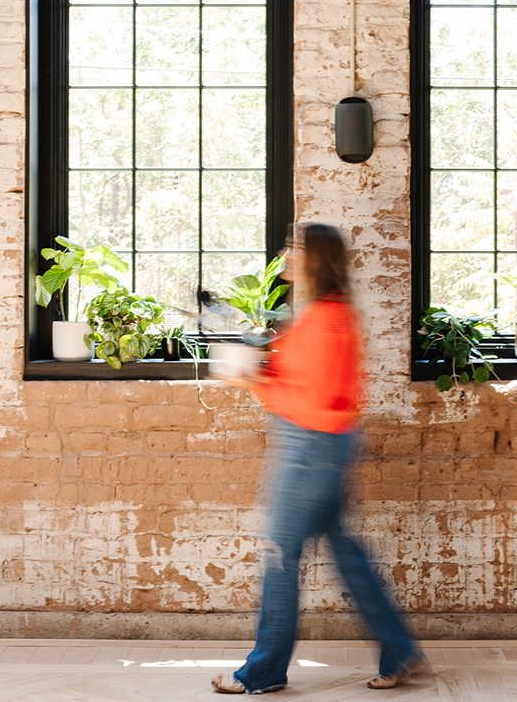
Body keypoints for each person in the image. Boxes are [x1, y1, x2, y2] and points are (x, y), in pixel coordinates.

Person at [213, 222, 426, 694]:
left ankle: (264, 671)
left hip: (310, 448)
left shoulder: (326, 320)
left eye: (295, 247)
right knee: (348, 553)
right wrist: (261, 369)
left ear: (316, 258)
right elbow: (299, 379)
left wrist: (248, 378)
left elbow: (315, 398)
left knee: (279, 554)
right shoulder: (326, 314)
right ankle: (399, 650)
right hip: (324, 447)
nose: (286, 254)